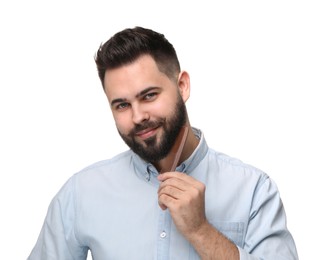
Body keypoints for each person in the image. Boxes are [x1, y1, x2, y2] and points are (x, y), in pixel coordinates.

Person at [28, 26, 298, 260]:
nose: (138, 117)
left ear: (182, 86)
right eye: (122, 105)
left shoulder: (253, 190)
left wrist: (200, 231)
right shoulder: (80, 193)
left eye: (149, 96)